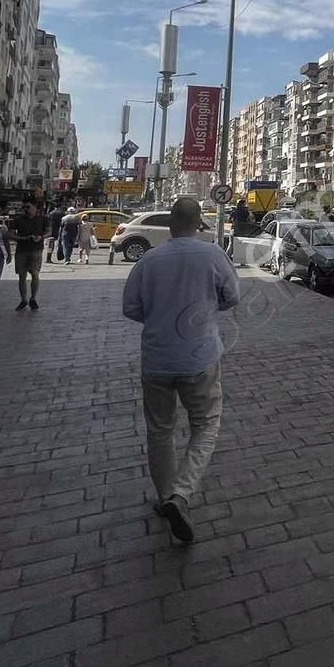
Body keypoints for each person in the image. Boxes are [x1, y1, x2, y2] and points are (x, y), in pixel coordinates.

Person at [121, 196, 239, 544]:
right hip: (200, 357)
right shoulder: (213, 254)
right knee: (206, 424)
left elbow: (130, 307)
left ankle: (165, 498)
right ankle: (181, 495)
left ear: (170, 224)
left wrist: (158, 319)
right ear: (199, 223)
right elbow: (232, 296)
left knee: (160, 430)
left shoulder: (150, 259)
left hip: (156, 358)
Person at [11, 200, 48, 311]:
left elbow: (49, 231)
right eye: (25, 207)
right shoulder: (18, 219)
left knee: (35, 274)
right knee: (22, 276)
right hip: (22, 249)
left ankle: (33, 298)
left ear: (35, 208)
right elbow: (10, 233)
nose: (26, 209)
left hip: (36, 249)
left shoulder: (42, 219)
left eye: (28, 207)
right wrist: (23, 238)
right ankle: (23, 300)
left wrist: (41, 237)